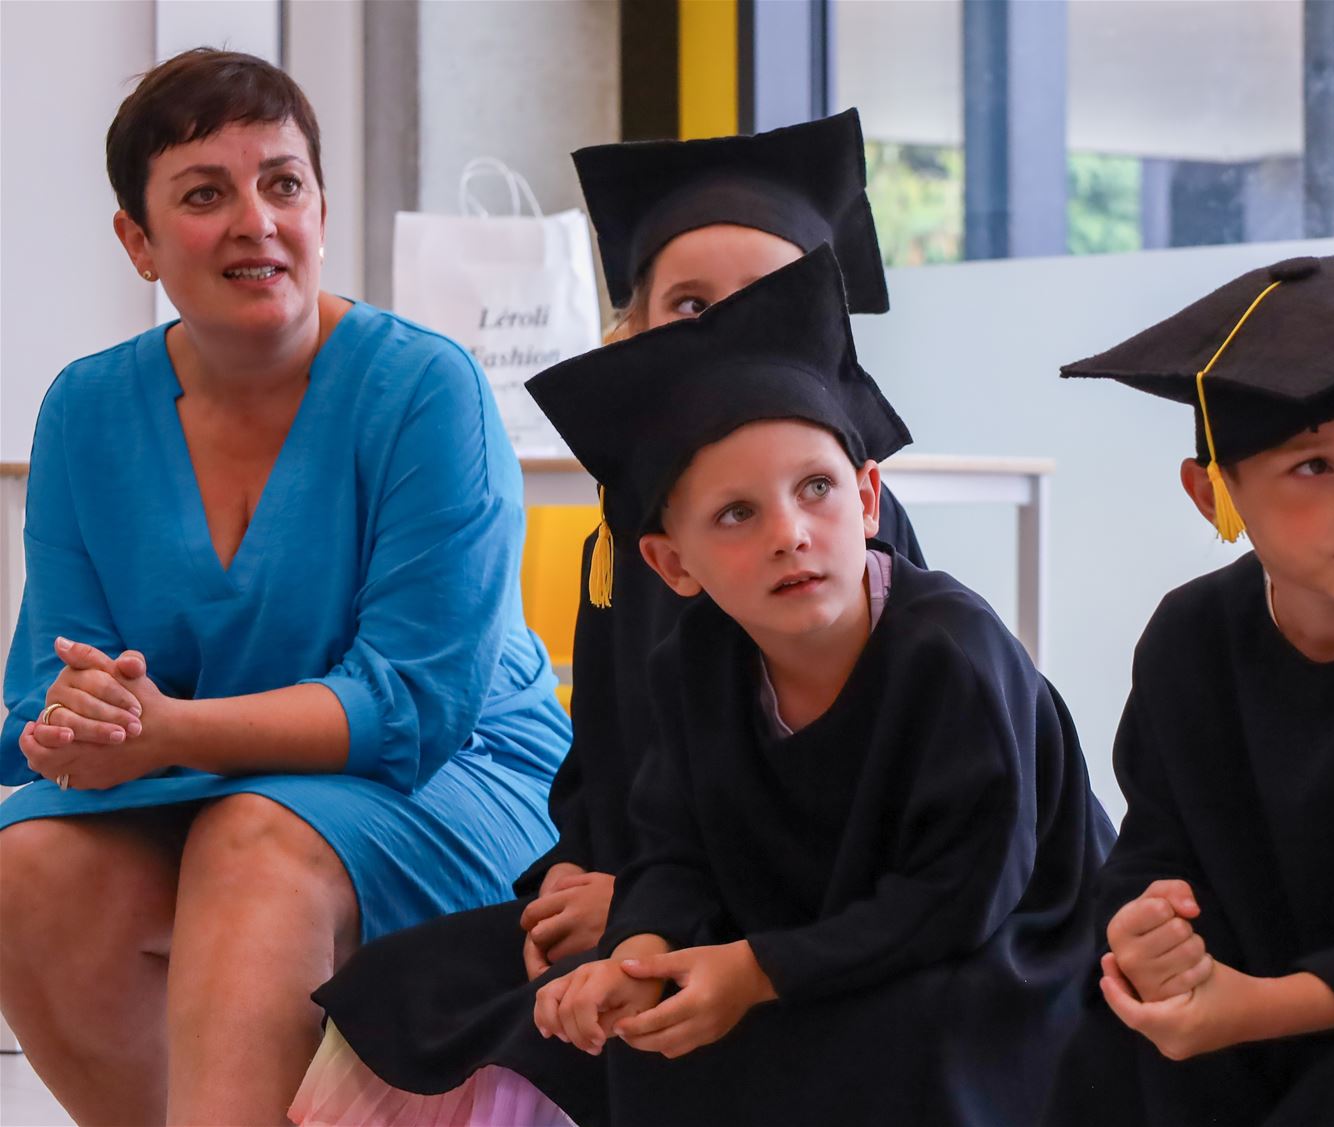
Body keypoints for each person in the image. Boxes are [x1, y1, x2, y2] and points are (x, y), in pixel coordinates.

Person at [297, 112, 927, 1121]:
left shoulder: (845, 549)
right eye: (691, 305)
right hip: (660, 888)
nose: (727, 334)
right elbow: (615, 754)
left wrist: (639, 908)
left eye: (769, 300)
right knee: (405, 991)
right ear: (628, 332)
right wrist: (583, 870)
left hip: (824, 928)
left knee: (557, 1039)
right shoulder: (635, 533)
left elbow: (851, 825)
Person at [0, 48, 568, 1125]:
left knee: (254, 841)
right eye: (204, 195)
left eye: (283, 183)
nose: (255, 221)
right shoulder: (84, 409)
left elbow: (414, 705)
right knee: (30, 861)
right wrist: (80, 717)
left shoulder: (427, 388)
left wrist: (170, 730)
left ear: (319, 209)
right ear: (137, 239)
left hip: (456, 777)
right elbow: (48, 684)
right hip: (200, 783)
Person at [525, 247, 1114, 1126]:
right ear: (671, 562)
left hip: (1006, 944)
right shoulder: (691, 666)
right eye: (737, 513)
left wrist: (756, 970)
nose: (790, 533)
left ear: (868, 498)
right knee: (660, 1044)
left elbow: (962, 892)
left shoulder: (951, 654)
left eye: (816, 488)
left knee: (907, 1040)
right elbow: (674, 851)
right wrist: (638, 954)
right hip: (819, 937)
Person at [1045, 255, 1334, 1126]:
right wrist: (1148, 928)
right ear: (1212, 489)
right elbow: (1157, 845)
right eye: (1315, 466)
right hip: (1248, 998)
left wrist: (1268, 1005)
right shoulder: (1191, 638)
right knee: (1115, 1051)